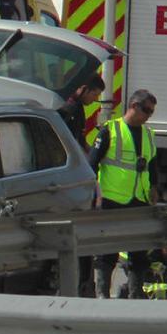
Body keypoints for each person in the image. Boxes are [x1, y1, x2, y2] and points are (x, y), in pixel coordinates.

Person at [88, 89, 158, 298]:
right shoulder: (111, 130)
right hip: (113, 200)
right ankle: (102, 296)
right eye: (146, 110)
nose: (148, 116)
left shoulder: (148, 134)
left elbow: (152, 165)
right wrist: (94, 195)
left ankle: (134, 296)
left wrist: (154, 187)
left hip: (139, 200)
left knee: (139, 252)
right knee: (107, 251)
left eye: (152, 112)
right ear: (133, 106)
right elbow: (92, 163)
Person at [57, 73, 105, 297]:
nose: (95, 100)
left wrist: (88, 152)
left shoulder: (76, 108)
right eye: (94, 94)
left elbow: (78, 138)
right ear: (84, 88)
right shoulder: (70, 109)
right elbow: (69, 141)